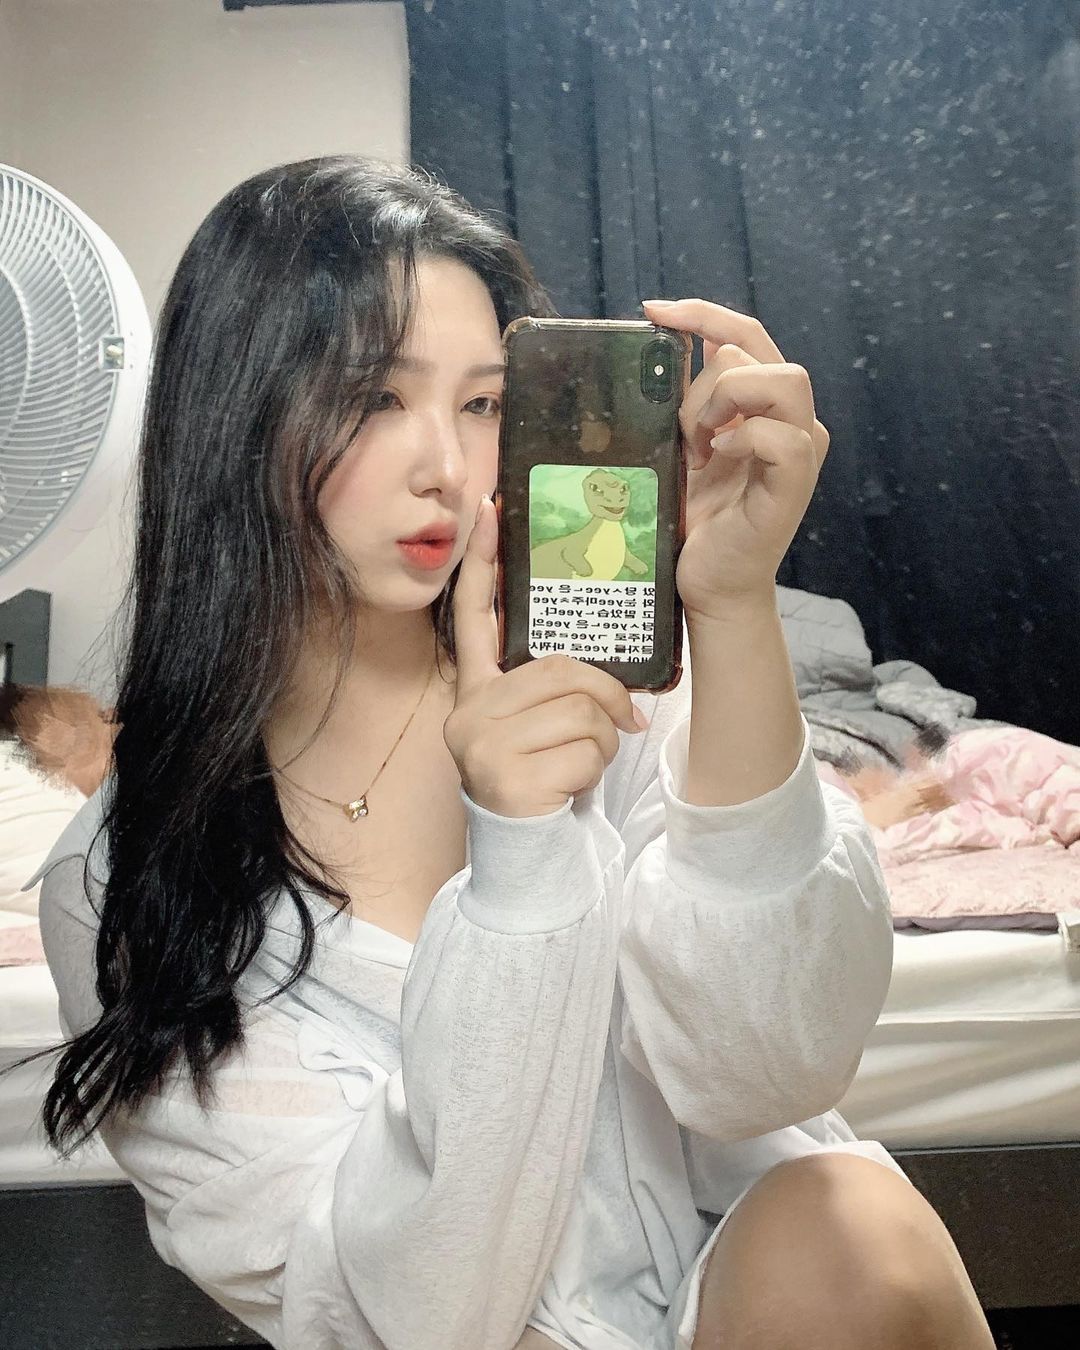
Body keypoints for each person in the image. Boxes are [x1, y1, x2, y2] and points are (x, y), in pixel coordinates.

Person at [12, 157, 995, 1350]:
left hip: (757, 1310)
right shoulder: (122, 880)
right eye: (375, 397)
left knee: (847, 1228)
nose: (446, 464)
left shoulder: (605, 691)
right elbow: (414, 1319)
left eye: (484, 404)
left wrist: (733, 609)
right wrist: (521, 862)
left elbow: (770, 1074)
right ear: (235, 413)